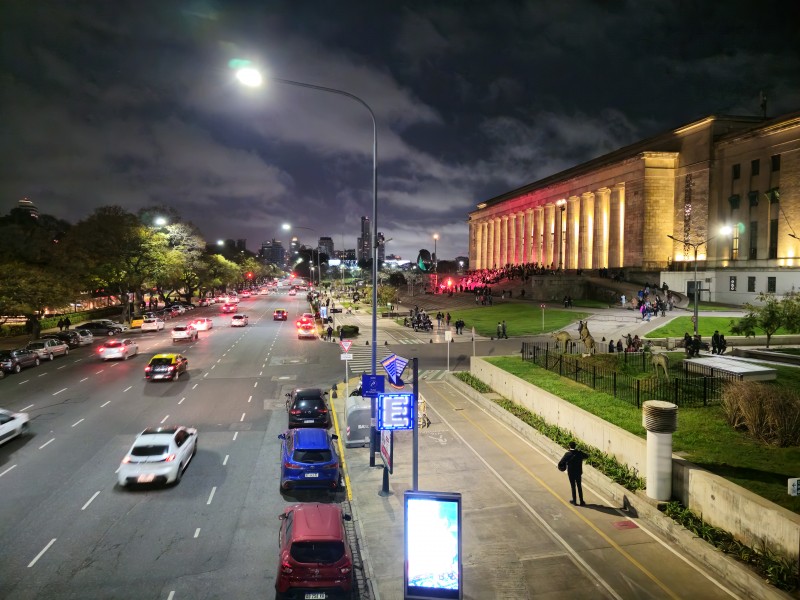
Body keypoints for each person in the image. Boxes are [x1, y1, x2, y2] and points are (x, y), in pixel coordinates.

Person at [558, 441, 588, 506]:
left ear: (569, 446)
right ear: (575, 446)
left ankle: (574, 501)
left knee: (573, 486)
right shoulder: (579, 453)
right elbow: (587, 456)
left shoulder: (567, 454)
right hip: (578, 472)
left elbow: (561, 462)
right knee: (579, 486)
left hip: (571, 473)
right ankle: (581, 501)